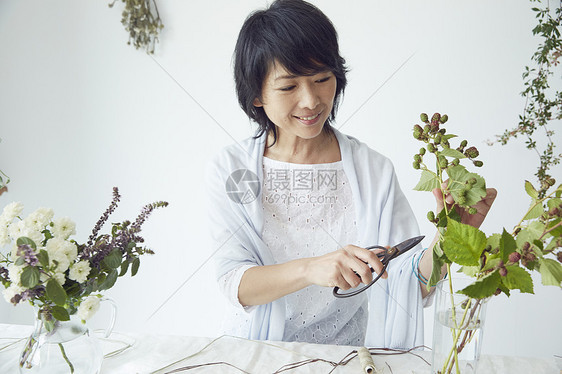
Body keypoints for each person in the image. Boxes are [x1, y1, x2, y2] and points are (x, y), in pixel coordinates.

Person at [205, 0, 496, 348]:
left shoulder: (372, 170)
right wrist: (311, 268)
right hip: (250, 354)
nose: (311, 100)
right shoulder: (232, 168)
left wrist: (452, 237)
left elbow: (407, 283)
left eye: (322, 79)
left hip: (346, 359)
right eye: (288, 87)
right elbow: (235, 283)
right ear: (256, 96)